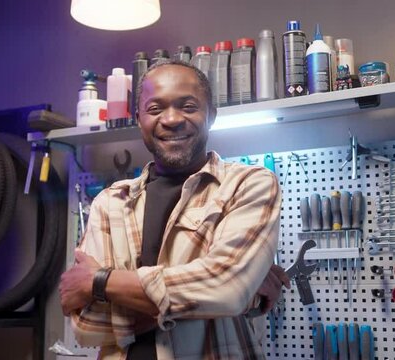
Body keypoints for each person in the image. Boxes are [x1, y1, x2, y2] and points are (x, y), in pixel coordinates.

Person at [59, 60, 289, 359]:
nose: (171, 119)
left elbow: (227, 288)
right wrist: (236, 297)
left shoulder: (249, 184)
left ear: (211, 115)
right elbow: (85, 324)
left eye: (188, 106)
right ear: (138, 118)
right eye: (155, 109)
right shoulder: (110, 202)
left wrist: (99, 281)